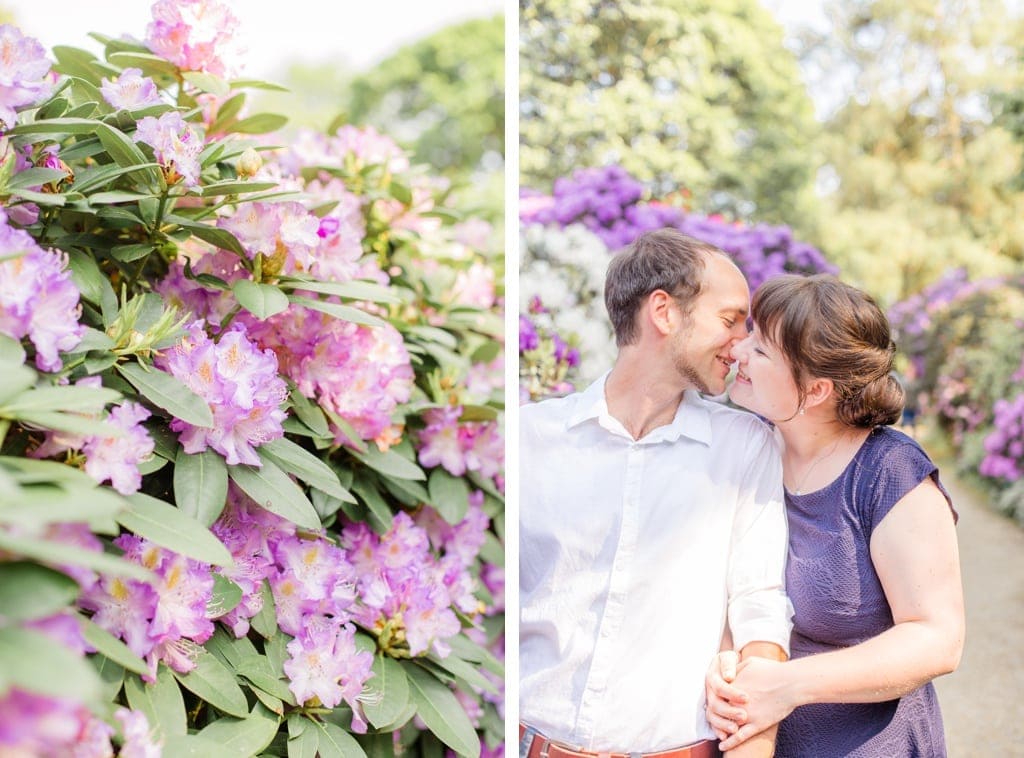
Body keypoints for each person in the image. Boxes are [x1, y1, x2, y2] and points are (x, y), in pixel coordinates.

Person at [520, 228, 794, 758]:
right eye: (730, 319)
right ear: (664, 313)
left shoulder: (744, 447)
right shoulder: (530, 438)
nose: (742, 343)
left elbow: (759, 607)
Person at [706, 274, 965, 757]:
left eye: (761, 351)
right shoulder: (745, 449)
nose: (739, 351)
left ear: (818, 388)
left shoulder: (890, 473)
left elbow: (937, 638)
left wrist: (785, 686)